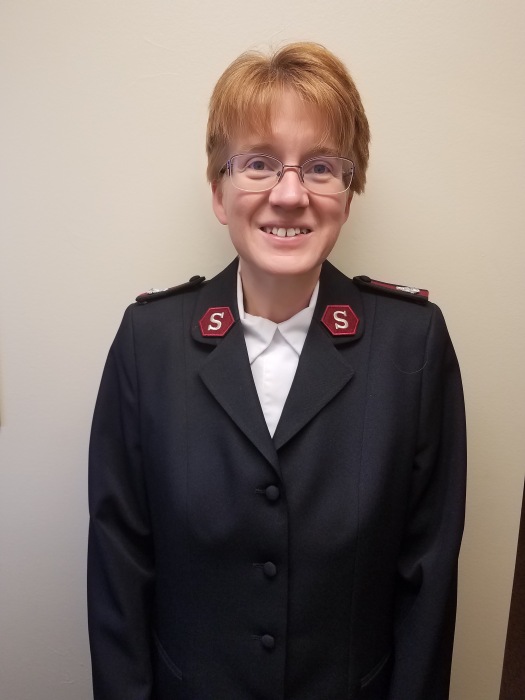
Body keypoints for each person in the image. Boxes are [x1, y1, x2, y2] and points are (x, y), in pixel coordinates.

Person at [88, 42, 466, 700]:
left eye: (320, 167)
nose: (289, 195)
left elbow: (427, 586)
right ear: (219, 190)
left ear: (348, 194)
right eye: (259, 163)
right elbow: (119, 575)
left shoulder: (414, 348)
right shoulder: (148, 345)